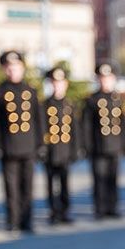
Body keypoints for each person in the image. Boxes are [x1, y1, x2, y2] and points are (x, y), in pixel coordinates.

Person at [0, 50, 44, 233]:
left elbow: (38, 119)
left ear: (22, 68)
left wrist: (40, 144)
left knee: (27, 186)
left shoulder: (30, 91)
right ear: (4, 70)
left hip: (28, 146)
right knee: (11, 188)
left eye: (16, 67)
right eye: (9, 67)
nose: (13, 71)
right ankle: (13, 220)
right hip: (8, 146)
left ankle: (27, 220)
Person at [83, 62, 125, 218]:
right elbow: (87, 126)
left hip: (114, 145)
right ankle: (100, 208)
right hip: (98, 146)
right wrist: (87, 146)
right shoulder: (91, 100)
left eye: (108, 78)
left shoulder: (117, 99)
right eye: (102, 78)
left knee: (112, 178)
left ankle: (112, 207)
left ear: (113, 79)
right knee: (99, 178)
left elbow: (122, 124)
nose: (105, 81)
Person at [42, 65, 79, 224]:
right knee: (51, 183)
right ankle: (53, 211)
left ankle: (64, 211)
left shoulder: (69, 105)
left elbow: (75, 129)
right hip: (51, 150)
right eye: (55, 82)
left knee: (65, 182)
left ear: (66, 84)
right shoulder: (45, 105)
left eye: (61, 82)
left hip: (65, 149)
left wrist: (76, 149)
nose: (58, 85)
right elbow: (42, 127)